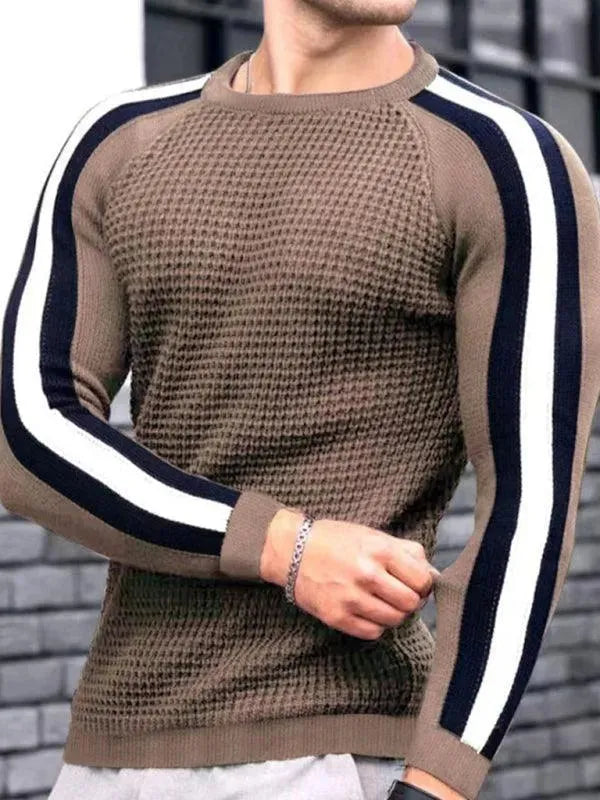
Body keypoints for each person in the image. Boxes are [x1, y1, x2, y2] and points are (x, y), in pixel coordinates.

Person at [2, 0, 599, 798]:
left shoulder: (504, 158)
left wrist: (440, 781)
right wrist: (283, 545)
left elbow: (530, 510)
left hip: (333, 751)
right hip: (108, 753)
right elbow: (28, 434)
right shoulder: (119, 139)